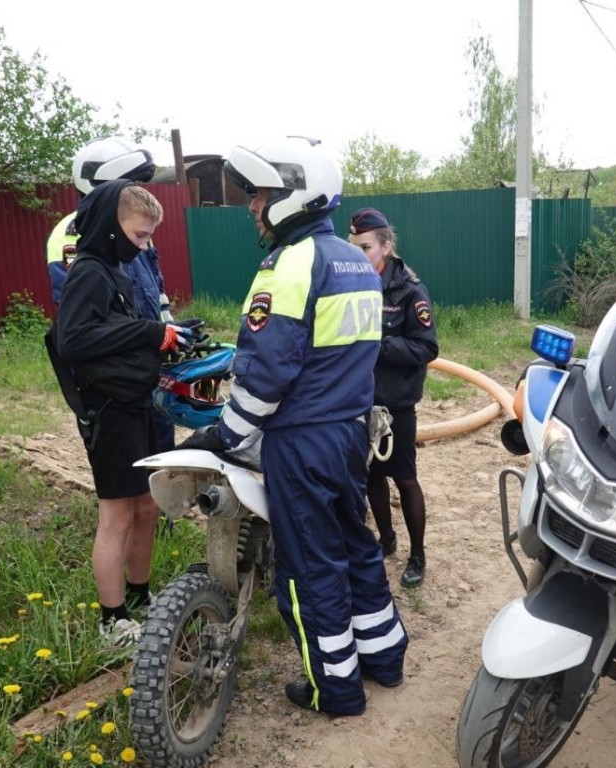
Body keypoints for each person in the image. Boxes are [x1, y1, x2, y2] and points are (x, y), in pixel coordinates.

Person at [182, 136, 408, 717]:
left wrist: (223, 436)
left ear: (292, 194)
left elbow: (265, 374)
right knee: (356, 546)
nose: (253, 207)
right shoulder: (357, 260)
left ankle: (335, 689)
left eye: (260, 195)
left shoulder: (288, 265)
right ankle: (385, 658)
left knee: (310, 568)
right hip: (349, 432)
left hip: (302, 439)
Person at [51, 179, 194, 647]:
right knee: (117, 515)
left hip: (138, 403)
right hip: (109, 408)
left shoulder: (118, 269)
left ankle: (139, 596)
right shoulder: (90, 271)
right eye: (138, 236)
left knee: (147, 506)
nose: (144, 245)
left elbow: (123, 328)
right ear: (112, 225)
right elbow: (73, 340)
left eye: (150, 237)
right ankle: (111, 620)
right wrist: (149, 333)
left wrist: (166, 331)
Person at [47, 136, 176, 451]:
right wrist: (144, 334)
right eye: (126, 183)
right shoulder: (77, 235)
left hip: (147, 358)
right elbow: (85, 323)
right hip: (118, 377)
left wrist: (173, 328)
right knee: (131, 466)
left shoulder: (136, 226)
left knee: (162, 445)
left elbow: (152, 291)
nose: (134, 192)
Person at [347, 208, 438, 588]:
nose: (358, 255)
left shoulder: (409, 289)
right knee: (371, 477)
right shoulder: (350, 284)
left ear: (386, 246)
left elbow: (426, 347)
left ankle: (417, 555)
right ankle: (386, 539)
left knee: (404, 478)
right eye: (353, 247)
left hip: (395, 405)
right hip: (359, 401)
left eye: (365, 247)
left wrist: (379, 346)